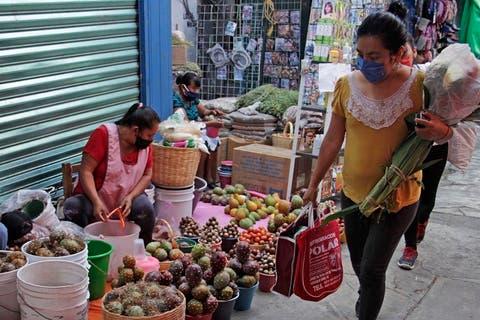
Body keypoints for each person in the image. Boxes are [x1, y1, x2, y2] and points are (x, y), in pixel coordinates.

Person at [303, 12, 451, 320]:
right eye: (360, 55)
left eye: (374, 56)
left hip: (398, 198)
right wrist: (313, 184)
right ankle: (366, 301)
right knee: (359, 265)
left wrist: (442, 132)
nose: (365, 62)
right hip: (354, 196)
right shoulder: (346, 86)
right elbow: (332, 140)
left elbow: (446, 130)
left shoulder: (421, 86)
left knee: (372, 269)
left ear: (398, 54)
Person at [64, 103, 159, 243]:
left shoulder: (144, 146)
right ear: (135, 130)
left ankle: (143, 251)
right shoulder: (104, 135)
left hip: (125, 200)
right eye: (150, 135)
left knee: (145, 209)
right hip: (93, 197)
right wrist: (96, 201)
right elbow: (86, 171)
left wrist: (131, 197)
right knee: (73, 207)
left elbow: (147, 175)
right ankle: (84, 249)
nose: (152, 140)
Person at [397, 36, 449, 270]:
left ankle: (423, 220)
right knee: (412, 197)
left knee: (428, 199)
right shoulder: (392, 82)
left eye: (405, 52)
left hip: (436, 147)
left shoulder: (430, 75)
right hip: (407, 150)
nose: (401, 58)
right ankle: (410, 248)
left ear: (414, 51)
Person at [173, 72, 224, 188]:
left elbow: (203, 111)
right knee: (203, 147)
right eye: (193, 89)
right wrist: (209, 123)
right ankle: (199, 182)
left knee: (214, 143)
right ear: (183, 87)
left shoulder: (193, 99)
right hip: (184, 131)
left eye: (197, 90)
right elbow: (186, 124)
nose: (195, 92)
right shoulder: (176, 100)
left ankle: (210, 178)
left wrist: (212, 112)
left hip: (198, 128)